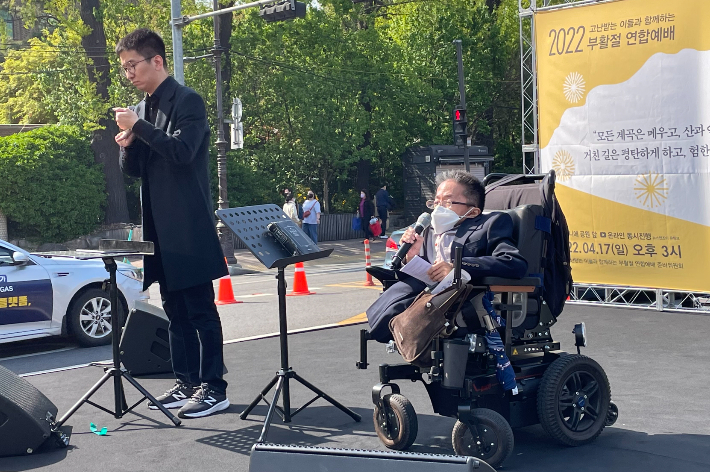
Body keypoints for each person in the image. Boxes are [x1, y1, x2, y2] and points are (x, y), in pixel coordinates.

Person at [113, 28, 229, 419]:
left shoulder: (187, 101)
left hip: (189, 226)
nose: (128, 73)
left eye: (132, 65)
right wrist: (128, 145)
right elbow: (138, 172)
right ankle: (186, 382)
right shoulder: (142, 110)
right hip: (160, 229)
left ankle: (215, 386)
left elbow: (182, 152)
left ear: (157, 61)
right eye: (124, 67)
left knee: (199, 310)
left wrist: (140, 128)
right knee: (174, 311)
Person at [366, 170, 528, 343]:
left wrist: (457, 266)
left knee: (403, 308)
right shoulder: (427, 230)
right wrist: (411, 257)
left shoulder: (491, 224)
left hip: (462, 299)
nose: (438, 209)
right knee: (395, 302)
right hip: (425, 292)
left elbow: (514, 263)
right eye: (435, 202)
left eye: (448, 202)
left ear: (473, 212)